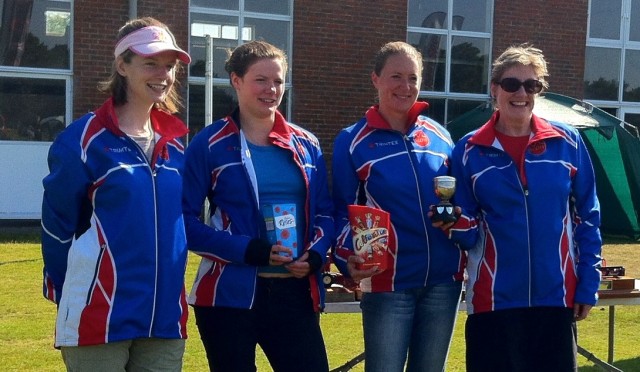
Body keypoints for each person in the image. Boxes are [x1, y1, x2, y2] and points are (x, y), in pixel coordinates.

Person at [40, 17, 191, 371]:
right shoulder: (84, 140)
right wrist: (75, 294)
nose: (163, 74)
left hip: (164, 319)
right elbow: (55, 225)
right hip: (99, 317)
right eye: (150, 63)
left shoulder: (177, 146)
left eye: (169, 66)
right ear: (122, 65)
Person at [446, 44, 602, 371]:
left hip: (555, 300)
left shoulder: (568, 142)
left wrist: (588, 283)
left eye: (531, 86)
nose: (521, 93)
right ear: (494, 89)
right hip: (493, 302)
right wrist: (451, 222)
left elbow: (588, 218)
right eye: (511, 84)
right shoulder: (469, 149)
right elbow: (465, 230)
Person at [182, 40, 334, 372]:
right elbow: (185, 223)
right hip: (227, 296)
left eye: (278, 81)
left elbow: (325, 211)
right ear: (236, 81)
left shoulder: (307, 144)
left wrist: (317, 255)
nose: (271, 89)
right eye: (260, 80)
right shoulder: (208, 144)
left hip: (294, 292)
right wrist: (250, 250)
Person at [332, 41, 465, 372]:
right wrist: (347, 257)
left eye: (412, 77)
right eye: (395, 76)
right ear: (375, 79)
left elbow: (459, 203)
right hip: (387, 283)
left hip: (443, 281)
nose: (405, 87)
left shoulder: (440, 137)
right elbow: (338, 211)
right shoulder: (352, 140)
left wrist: (458, 220)